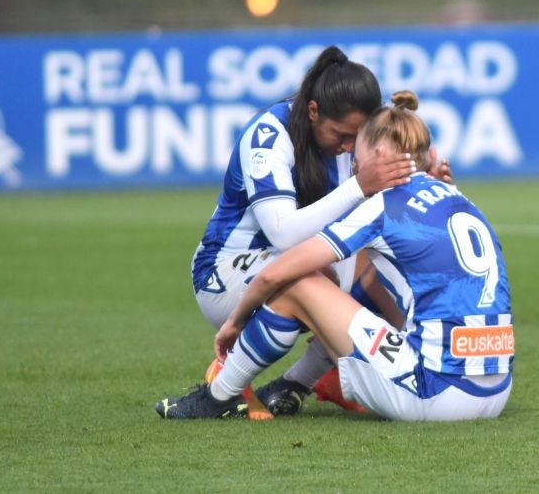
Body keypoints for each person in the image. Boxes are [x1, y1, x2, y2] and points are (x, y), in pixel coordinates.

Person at [158, 91, 513, 421]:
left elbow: (275, 274)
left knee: (298, 282)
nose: (350, 157)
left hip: (437, 394)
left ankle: (219, 395)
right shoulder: (458, 197)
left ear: (378, 154)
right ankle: (297, 384)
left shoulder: (381, 206)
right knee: (365, 276)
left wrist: (233, 324)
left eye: (356, 147)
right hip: (496, 390)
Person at [188, 45, 417, 415]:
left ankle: (298, 384)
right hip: (224, 274)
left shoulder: (350, 143)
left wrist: (432, 185)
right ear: (313, 111)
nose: (348, 147)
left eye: (356, 138)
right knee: (313, 275)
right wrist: (359, 186)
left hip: (300, 265)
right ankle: (224, 382)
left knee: (390, 268)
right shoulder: (268, 135)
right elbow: (282, 233)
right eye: (341, 135)